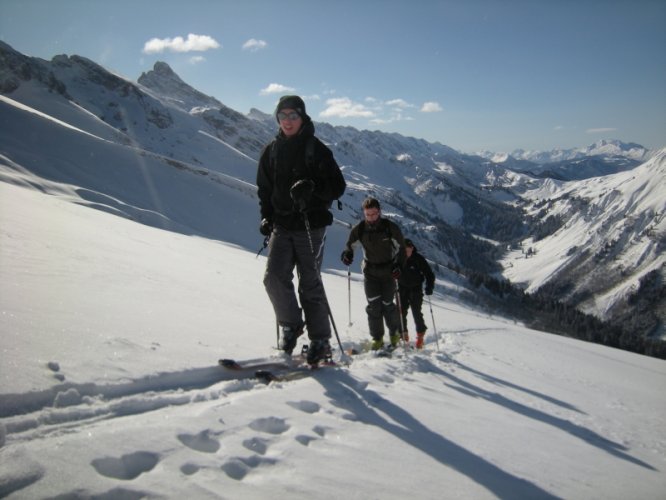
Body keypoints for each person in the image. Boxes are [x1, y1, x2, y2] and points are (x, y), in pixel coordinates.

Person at [256, 95, 346, 365]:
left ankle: (320, 340)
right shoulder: (271, 151)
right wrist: (266, 217)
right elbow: (265, 190)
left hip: (311, 224)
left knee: (310, 283)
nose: (287, 121)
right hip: (282, 225)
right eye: (282, 116)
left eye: (292, 115)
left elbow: (337, 186)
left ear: (302, 117)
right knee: (273, 277)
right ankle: (291, 325)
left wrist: (313, 189)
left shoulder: (316, 149)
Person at [341, 197, 406, 351]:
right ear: (364, 213)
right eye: (368, 214)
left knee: (388, 305)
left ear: (379, 212)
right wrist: (347, 254)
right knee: (373, 307)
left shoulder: (390, 228)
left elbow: (402, 249)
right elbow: (350, 246)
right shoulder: (360, 229)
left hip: (389, 272)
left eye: (374, 214)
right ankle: (377, 339)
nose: (371, 217)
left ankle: (395, 336)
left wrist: (399, 266)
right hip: (370, 272)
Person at [398, 239, 435, 349]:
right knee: (400, 312)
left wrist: (429, 287)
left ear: (412, 249)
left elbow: (429, 274)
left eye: (408, 250)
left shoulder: (419, 259)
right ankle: (403, 336)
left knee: (416, 312)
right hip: (401, 288)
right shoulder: (398, 258)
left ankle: (420, 336)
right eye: (405, 250)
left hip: (416, 289)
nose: (407, 253)